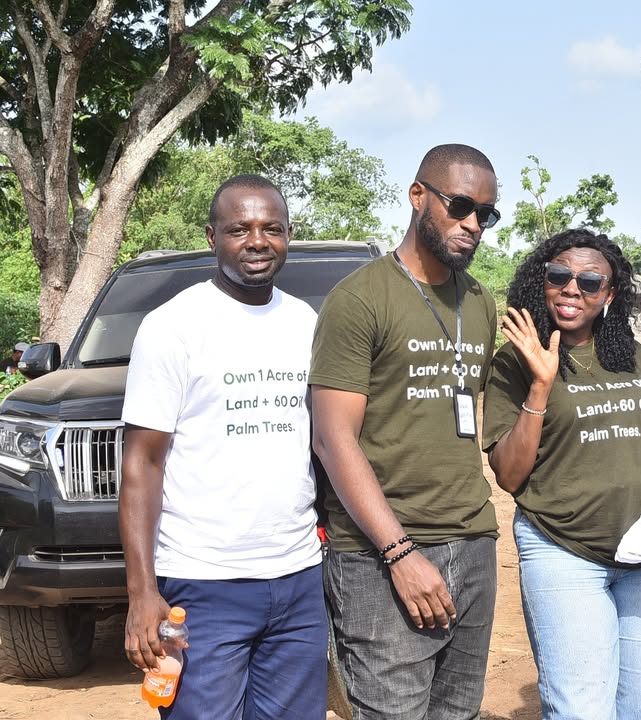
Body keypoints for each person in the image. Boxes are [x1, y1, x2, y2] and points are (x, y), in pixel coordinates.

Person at [482, 229, 641, 719]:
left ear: (609, 295)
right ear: (541, 282)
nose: (573, 289)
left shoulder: (629, 353)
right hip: (563, 550)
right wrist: (541, 386)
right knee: (580, 710)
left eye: (591, 282)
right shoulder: (514, 361)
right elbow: (508, 474)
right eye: (560, 276)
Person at [119, 175, 327, 719]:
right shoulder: (172, 327)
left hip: (298, 577)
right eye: (240, 229)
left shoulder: (306, 322)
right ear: (212, 238)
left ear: (288, 235)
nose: (258, 241)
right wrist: (142, 592)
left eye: (271, 228)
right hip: (202, 583)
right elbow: (141, 462)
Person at [309, 144, 501, 720]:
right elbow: (332, 438)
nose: (471, 224)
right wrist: (399, 552)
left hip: (472, 545)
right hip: (379, 557)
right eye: (460, 205)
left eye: (485, 214)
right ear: (418, 196)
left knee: (457, 713)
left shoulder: (480, 302)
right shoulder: (360, 298)